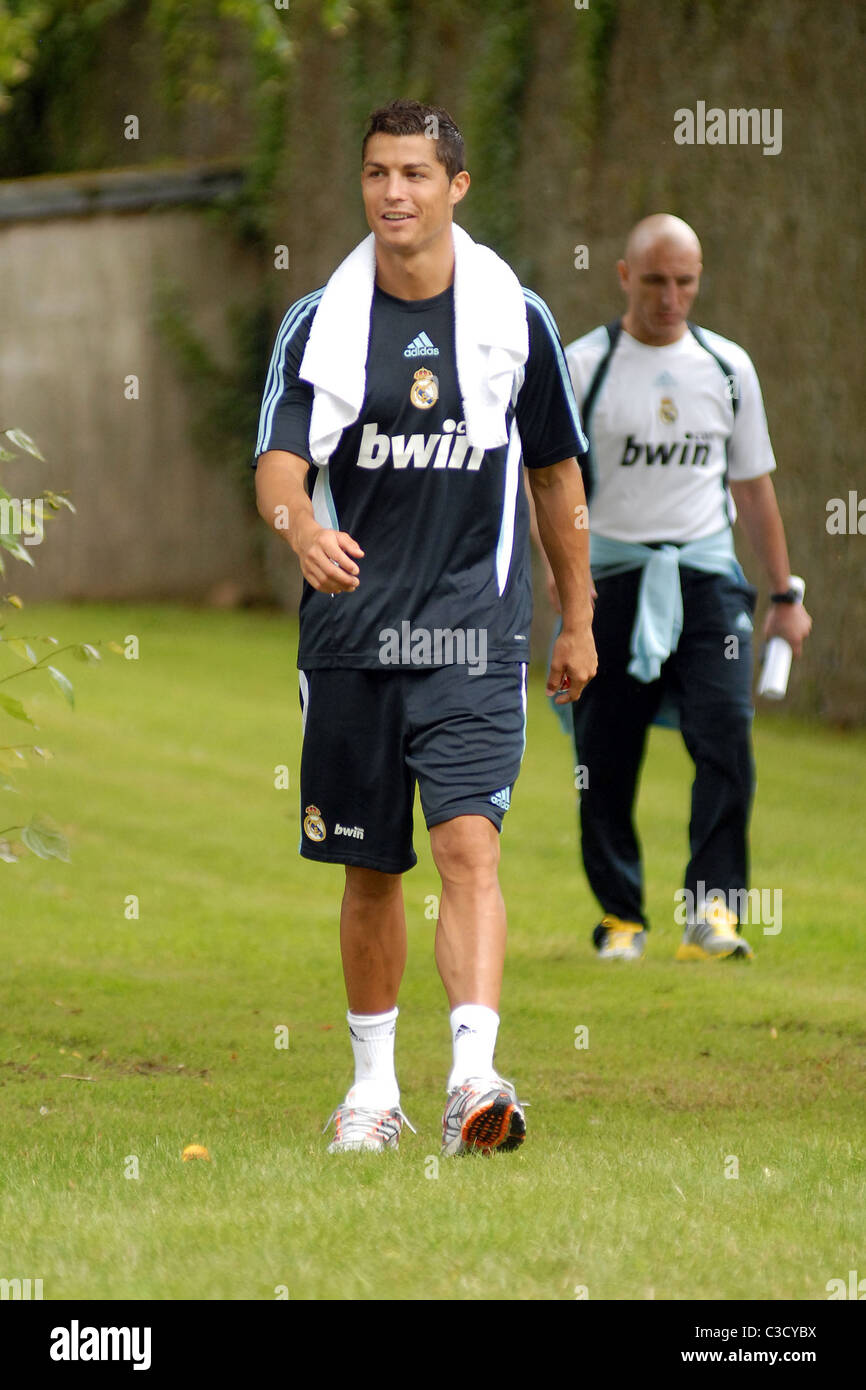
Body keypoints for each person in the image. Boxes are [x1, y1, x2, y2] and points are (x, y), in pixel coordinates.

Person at [252, 100, 596, 1153]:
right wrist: (299, 526)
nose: (392, 193)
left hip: (471, 634)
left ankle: (473, 1078)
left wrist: (575, 615)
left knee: (466, 845)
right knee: (370, 868)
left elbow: (552, 474)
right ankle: (370, 1094)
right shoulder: (320, 321)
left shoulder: (512, 317)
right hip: (353, 638)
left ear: (456, 188)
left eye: (413, 174)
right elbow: (276, 464)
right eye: (375, 174)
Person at [553, 213, 811, 962]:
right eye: (657, 281)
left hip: (706, 582)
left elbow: (754, 488)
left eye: (686, 282)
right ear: (625, 276)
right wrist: (563, 596)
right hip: (610, 581)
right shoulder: (581, 367)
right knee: (606, 754)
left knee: (726, 735)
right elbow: (552, 488)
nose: (671, 298)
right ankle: (621, 918)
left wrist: (783, 596)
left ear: (700, 281)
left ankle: (713, 913)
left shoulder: (729, 368)